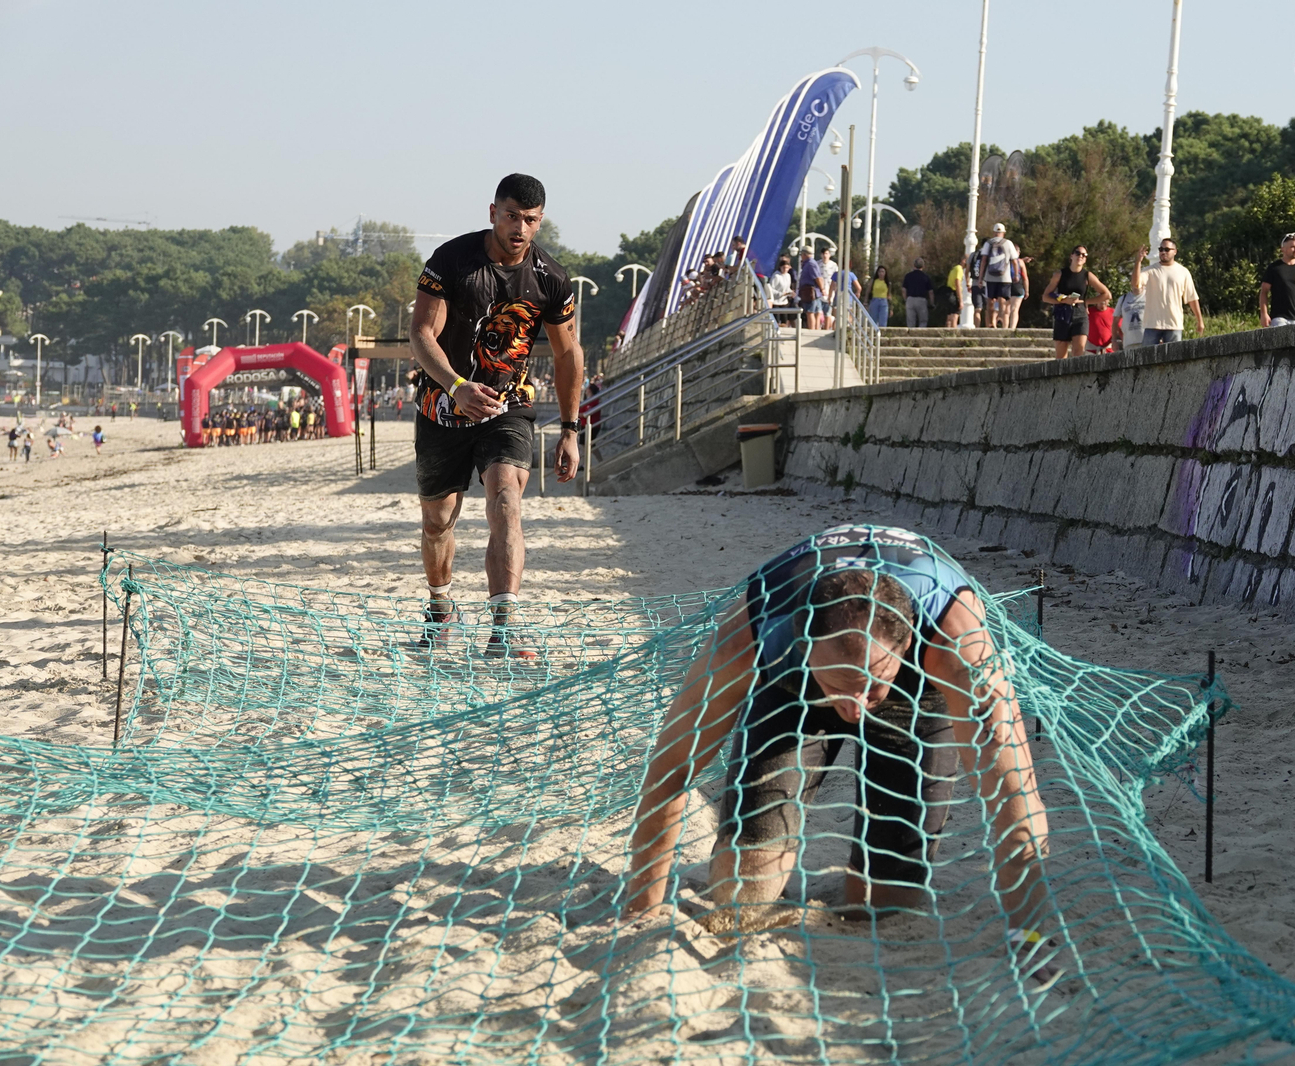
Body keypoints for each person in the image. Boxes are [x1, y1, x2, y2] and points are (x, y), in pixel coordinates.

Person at [624, 525, 1051, 958]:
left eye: (872, 686)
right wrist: (642, 905)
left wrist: (1029, 937)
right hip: (796, 691)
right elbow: (671, 768)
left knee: (884, 905)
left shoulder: (958, 643)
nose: (857, 707)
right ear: (807, 644)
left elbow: (1013, 793)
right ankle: (842, 683)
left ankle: (873, 682)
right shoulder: (751, 635)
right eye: (845, 686)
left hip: (916, 693)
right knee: (742, 892)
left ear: (905, 643)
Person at [409, 172, 586, 657]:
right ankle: (441, 609)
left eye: (530, 220)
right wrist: (457, 386)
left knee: (506, 497)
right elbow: (422, 334)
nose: (520, 229)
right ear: (493, 213)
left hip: (509, 406)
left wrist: (570, 429)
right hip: (442, 404)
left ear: (540, 221)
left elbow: (569, 354)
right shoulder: (453, 261)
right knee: (437, 520)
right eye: (511, 217)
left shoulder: (552, 278)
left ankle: (503, 628)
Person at [1041, 246, 1112, 359]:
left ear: (1085, 259)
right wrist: (1064, 300)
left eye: (1084, 255)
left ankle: (1077, 376)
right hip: (1062, 313)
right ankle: (1062, 376)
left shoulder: (1087, 275)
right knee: (1061, 353)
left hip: (1080, 313)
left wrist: (1086, 302)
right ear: (1071, 255)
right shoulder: (1060, 274)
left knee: (1078, 350)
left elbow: (1106, 294)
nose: (1080, 256)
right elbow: (1045, 296)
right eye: (1078, 253)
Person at [1130, 240, 1204, 346]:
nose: (1163, 252)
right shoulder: (1150, 270)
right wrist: (1138, 262)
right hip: (1152, 325)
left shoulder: (1183, 272)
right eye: (1161, 249)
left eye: (1167, 249)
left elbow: (1192, 298)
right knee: (1148, 360)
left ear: (1175, 251)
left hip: (1174, 325)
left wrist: (1200, 321)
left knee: (1175, 359)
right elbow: (1135, 284)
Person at [980, 224, 1020, 328]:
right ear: (1004, 233)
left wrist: (980, 278)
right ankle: (1001, 319)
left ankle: (991, 322)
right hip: (1005, 277)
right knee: (1002, 298)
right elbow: (1015, 261)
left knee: (990, 299)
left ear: (993, 232)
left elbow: (983, 261)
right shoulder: (1008, 243)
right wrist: (1016, 275)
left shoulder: (988, 243)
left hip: (990, 276)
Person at [798, 249, 826, 330]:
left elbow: (817, 277)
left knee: (810, 312)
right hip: (812, 291)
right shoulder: (810, 263)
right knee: (816, 311)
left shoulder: (810, 264)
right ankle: (815, 328)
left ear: (804, 254)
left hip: (811, 291)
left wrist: (822, 289)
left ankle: (812, 329)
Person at [901, 258, 933, 328]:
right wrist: (931, 302)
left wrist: (905, 299)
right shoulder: (925, 277)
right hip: (921, 300)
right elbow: (930, 292)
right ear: (923, 266)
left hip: (910, 299)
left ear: (914, 265)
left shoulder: (908, 276)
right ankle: (921, 336)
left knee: (910, 321)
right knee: (923, 321)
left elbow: (904, 289)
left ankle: (911, 336)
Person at [944, 254, 966, 328]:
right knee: (954, 317)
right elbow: (957, 283)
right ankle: (954, 336)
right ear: (964, 261)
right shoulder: (959, 269)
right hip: (953, 294)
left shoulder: (954, 268)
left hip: (948, 293)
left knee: (949, 317)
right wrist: (960, 300)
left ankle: (947, 334)